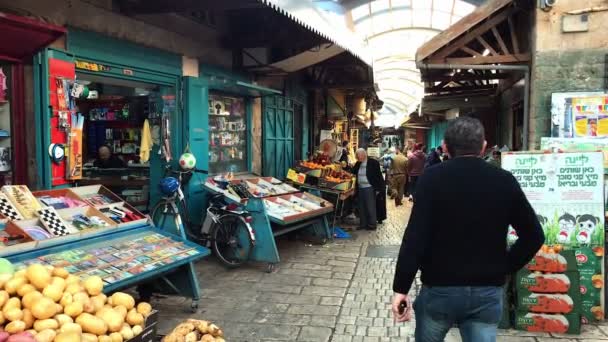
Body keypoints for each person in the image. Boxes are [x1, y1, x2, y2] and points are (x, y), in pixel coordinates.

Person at [391, 117, 545, 342]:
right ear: (483, 146)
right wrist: (504, 267)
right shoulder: (503, 180)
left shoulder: (432, 179)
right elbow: (534, 235)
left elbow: (415, 239)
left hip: (440, 289)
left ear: (445, 147)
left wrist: (401, 289)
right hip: (487, 292)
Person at [352, 149, 385, 230]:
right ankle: (363, 224)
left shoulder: (373, 163)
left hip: (369, 188)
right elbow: (353, 172)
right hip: (360, 188)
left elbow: (378, 176)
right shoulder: (358, 163)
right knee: (361, 207)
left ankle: (372, 225)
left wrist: (379, 188)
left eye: (358, 156)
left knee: (370, 207)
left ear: (364, 155)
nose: (357, 158)